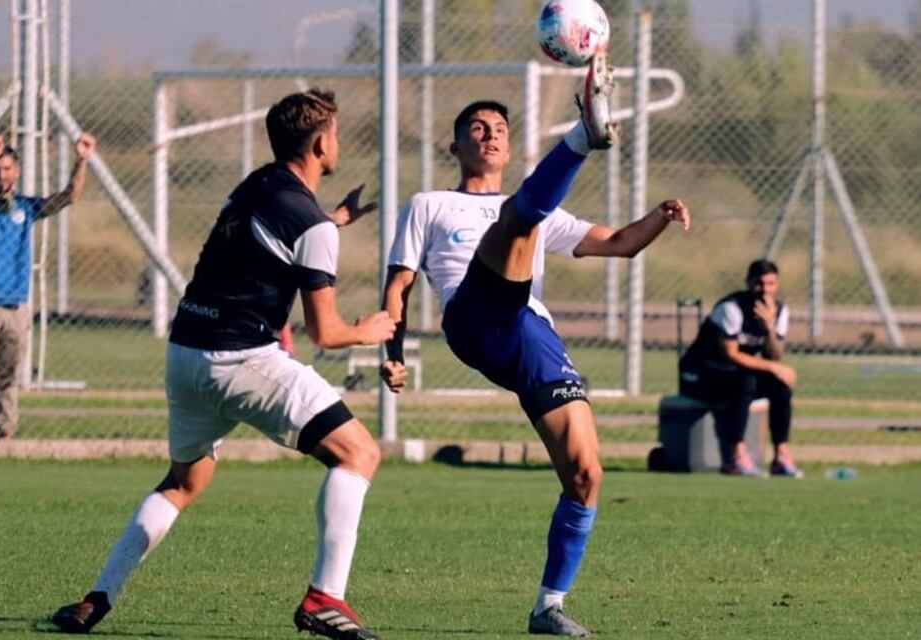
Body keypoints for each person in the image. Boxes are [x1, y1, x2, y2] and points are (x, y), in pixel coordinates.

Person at [50, 88, 393, 639]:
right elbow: (326, 334)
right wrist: (368, 329)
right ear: (324, 142)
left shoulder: (256, 185)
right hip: (240, 357)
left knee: (184, 482)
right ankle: (325, 598)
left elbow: (279, 232)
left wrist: (333, 220)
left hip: (184, 354)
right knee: (358, 453)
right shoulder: (314, 228)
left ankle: (97, 597)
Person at [379, 54, 690, 637]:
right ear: (455, 147)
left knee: (586, 474)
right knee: (515, 224)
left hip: (531, 333)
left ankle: (548, 606)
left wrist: (659, 217)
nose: (490, 134)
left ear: (510, 145)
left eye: (499, 128)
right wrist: (390, 352)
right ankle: (582, 134)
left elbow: (620, 243)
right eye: (477, 128)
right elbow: (397, 284)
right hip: (473, 317)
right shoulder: (429, 204)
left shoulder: (543, 213)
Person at [0, 132, 96, 440]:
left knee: (7, 377)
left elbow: (68, 197)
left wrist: (81, 161)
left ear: (16, 171)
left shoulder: (25, 207)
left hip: (15, 306)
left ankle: (5, 434)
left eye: (6, 168)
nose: (1, 174)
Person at [678, 259, 802, 478]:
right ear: (748, 282)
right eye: (759, 283)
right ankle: (736, 457)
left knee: (780, 385)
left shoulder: (779, 311)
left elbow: (774, 354)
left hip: (735, 378)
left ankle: (781, 456)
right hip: (699, 376)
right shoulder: (731, 308)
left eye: (770, 284)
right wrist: (774, 367)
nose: (764, 290)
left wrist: (770, 329)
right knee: (746, 380)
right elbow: (732, 354)